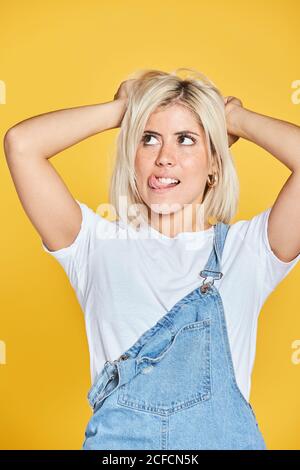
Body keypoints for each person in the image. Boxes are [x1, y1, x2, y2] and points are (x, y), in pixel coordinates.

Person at [4, 68, 300, 450]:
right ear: (133, 156)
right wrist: (123, 109)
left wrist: (232, 118)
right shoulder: (95, 245)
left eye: (186, 140)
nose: (164, 158)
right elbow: (21, 144)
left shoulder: (249, 250)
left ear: (215, 163)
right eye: (149, 139)